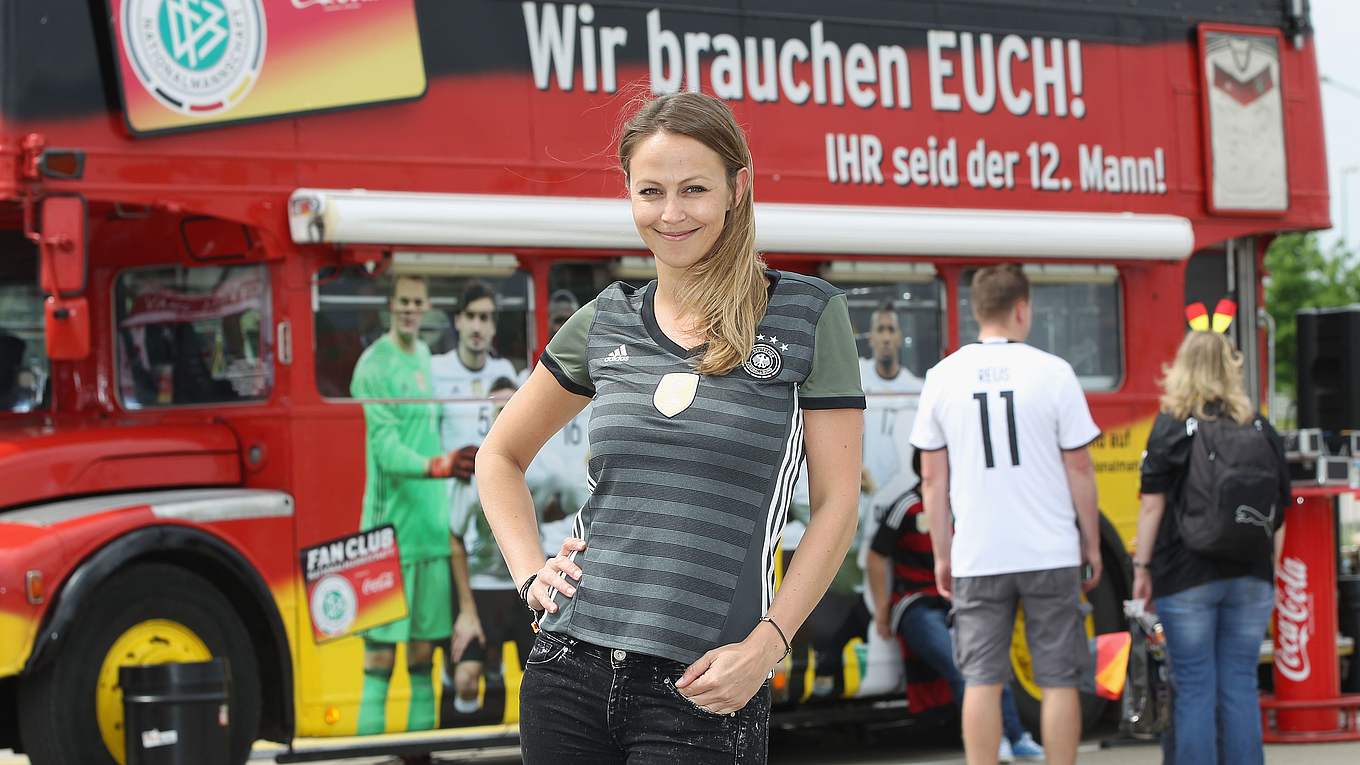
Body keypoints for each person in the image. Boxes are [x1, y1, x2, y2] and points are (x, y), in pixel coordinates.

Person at [475, 91, 864, 765]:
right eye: (651, 191)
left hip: (707, 681)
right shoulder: (606, 319)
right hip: (567, 668)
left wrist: (768, 644)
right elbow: (499, 456)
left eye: (694, 189)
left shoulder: (807, 315)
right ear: (629, 194)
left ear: (737, 189)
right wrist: (531, 574)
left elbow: (837, 504)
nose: (671, 213)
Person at [909, 264, 1101, 765]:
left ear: (976, 310)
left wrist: (943, 556)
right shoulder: (1054, 373)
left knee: (981, 679)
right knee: (1058, 679)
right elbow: (1079, 467)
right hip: (1050, 551)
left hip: (978, 553)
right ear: (1022, 309)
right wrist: (1091, 540)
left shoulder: (942, 377)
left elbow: (933, 480)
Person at [1132, 330, 1288, 765]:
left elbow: (1151, 505)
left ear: (1181, 369)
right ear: (1232, 369)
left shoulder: (1171, 426)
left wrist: (1142, 568)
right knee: (1240, 685)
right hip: (1251, 576)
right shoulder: (1259, 426)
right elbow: (1279, 510)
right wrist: (1270, 571)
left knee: (1194, 686)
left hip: (1186, 576)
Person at [867, 449, 1044, 762]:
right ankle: (992, 740)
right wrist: (883, 609)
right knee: (961, 666)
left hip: (961, 602)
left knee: (990, 661)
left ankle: (1017, 737)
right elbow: (876, 556)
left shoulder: (963, 503)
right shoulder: (907, 506)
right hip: (916, 605)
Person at [350, 274, 462, 735]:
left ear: (426, 306)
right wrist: (438, 466)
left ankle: (419, 756)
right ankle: (368, 757)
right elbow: (386, 452)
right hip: (387, 535)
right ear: (389, 306)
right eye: (404, 301)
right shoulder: (372, 365)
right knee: (377, 661)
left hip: (430, 531)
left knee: (422, 659)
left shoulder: (424, 357)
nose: (411, 309)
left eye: (418, 302)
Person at [446, 377, 535, 720]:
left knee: (541, 678)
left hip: (524, 584)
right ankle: (465, 736)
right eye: (499, 410)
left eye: (512, 408)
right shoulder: (475, 469)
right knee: (467, 680)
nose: (506, 415)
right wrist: (467, 611)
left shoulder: (543, 466)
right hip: (482, 587)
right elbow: (454, 536)